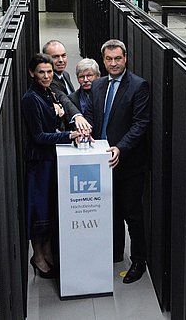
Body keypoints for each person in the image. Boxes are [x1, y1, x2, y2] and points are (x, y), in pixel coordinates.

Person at [84, 39, 150, 284]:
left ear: (126, 59)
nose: (114, 63)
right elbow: (92, 113)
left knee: (132, 214)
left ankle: (139, 261)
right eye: (109, 59)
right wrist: (87, 130)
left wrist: (120, 147)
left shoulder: (138, 86)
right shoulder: (99, 84)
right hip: (101, 161)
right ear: (103, 60)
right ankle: (113, 253)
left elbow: (140, 123)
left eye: (118, 59)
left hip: (128, 163)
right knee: (108, 211)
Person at [22, 53, 82, 279]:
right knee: (39, 211)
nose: (47, 76)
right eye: (41, 72)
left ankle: (47, 251)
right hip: (39, 162)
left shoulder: (46, 93)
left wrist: (58, 115)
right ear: (32, 73)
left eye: (48, 72)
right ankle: (38, 257)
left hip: (51, 159)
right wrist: (69, 135)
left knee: (48, 210)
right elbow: (38, 136)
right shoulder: (31, 98)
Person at [42, 40, 91, 134]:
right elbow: (63, 98)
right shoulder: (48, 81)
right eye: (55, 57)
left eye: (63, 55)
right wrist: (76, 116)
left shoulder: (65, 75)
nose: (61, 60)